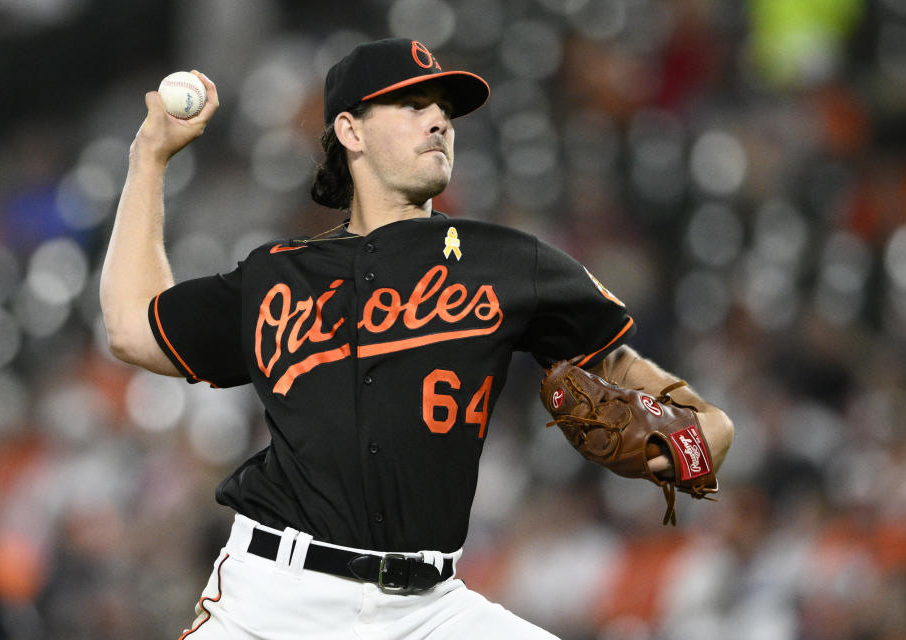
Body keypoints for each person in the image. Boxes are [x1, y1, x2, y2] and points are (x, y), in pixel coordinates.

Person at [100, 37, 734, 639]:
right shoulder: (276, 274)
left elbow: (633, 375)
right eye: (412, 105)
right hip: (276, 598)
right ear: (350, 131)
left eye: (445, 110)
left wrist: (703, 432)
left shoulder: (506, 261)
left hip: (429, 609)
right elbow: (135, 326)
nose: (439, 121)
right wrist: (148, 157)